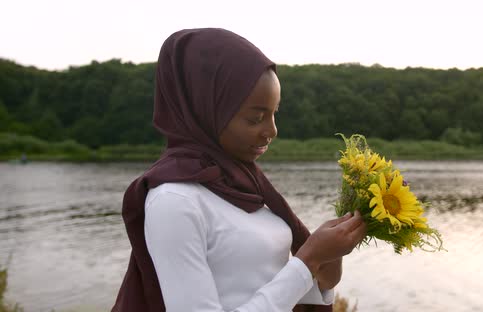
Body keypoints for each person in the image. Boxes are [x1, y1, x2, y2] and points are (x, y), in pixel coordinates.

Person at [112, 28, 366, 312]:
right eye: (256, 118)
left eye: (274, 113)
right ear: (205, 109)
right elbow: (291, 278)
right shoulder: (175, 201)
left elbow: (287, 287)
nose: (271, 131)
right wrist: (308, 259)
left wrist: (329, 253)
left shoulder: (246, 186)